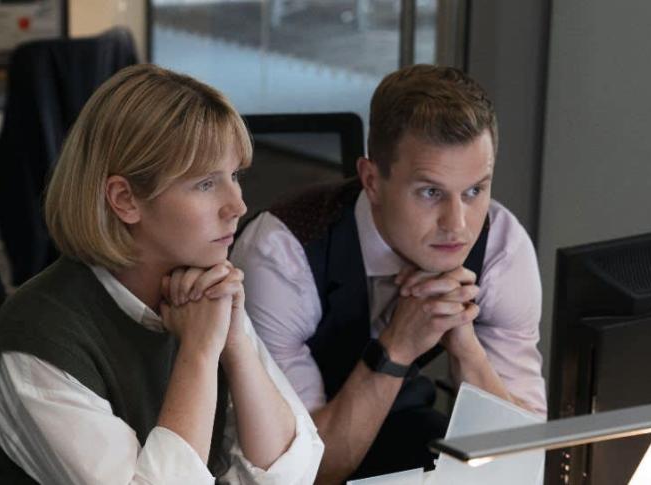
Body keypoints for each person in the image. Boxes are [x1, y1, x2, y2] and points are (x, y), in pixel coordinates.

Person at [0, 64, 323, 484]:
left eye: (235, 176)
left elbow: (292, 473)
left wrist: (237, 344)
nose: (238, 205)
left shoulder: (201, 290)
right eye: (206, 184)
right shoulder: (36, 346)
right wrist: (198, 354)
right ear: (125, 199)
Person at [230, 64, 546, 482]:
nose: (459, 225)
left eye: (474, 191)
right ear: (372, 181)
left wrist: (465, 346)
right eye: (430, 192)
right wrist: (396, 347)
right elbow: (303, 473)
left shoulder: (501, 247)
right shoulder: (282, 254)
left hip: (406, 432)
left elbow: (524, 458)